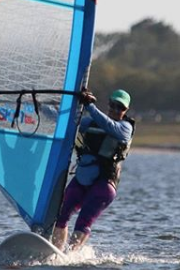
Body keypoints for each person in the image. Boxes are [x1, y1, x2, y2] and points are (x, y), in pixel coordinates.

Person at [52, 88, 135, 251]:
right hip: (83, 179)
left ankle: (71, 256)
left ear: (126, 111)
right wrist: (42, 107)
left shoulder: (125, 128)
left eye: (121, 108)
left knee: (82, 221)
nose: (116, 110)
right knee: (61, 216)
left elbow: (109, 126)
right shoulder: (91, 122)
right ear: (108, 104)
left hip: (104, 186)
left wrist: (89, 106)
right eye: (113, 105)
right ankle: (55, 252)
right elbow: (67, 122)